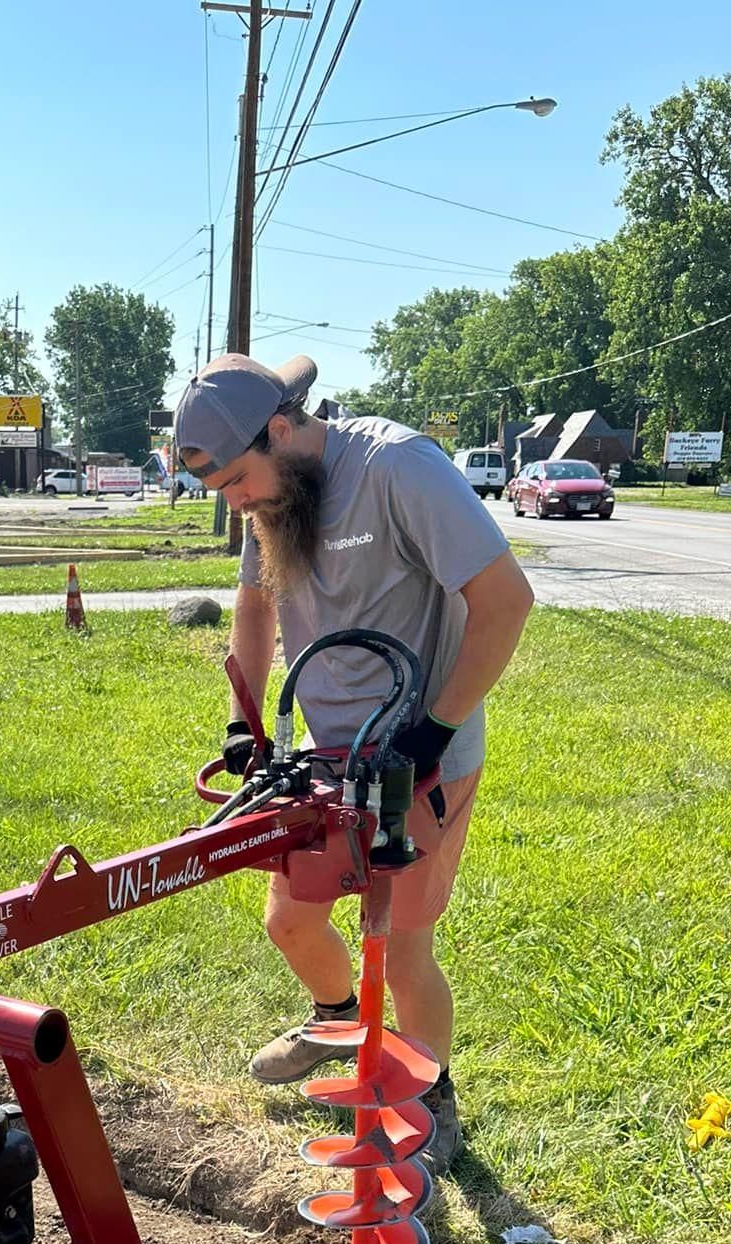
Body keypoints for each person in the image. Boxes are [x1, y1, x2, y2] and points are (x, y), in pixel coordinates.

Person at [174, 352, 535, 1170]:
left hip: (421, 750)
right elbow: (258, 601)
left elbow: (506, 600)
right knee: (291, 918)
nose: (233, 502)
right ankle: (337, 1017)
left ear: (280, 429)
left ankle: (429, 1094)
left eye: (234, 481)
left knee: (401, 942)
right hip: (324, 755)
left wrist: (434, 731)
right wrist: (243, 720)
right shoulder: (275, 494)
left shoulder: (399, 468)